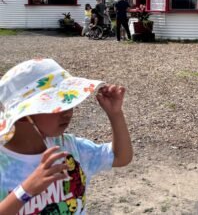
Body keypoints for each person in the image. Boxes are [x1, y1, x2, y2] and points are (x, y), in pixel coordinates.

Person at [0, 58, 133, 214]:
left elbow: (120, 157)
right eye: (56, 105)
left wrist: (115, 114)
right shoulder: (4, 165)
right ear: (23, 115)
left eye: (68, 102)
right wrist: (26, 190)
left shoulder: (68, 147)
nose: (68, 112)